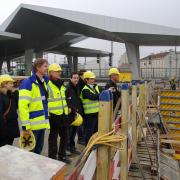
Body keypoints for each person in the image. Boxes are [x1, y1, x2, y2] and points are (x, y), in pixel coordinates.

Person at [18, 58, 50, 154]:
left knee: (38, 150)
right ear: (38, 67)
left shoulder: (43, 82)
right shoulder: (27, 83)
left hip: (41, 125)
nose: (47, 68)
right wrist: (26, 125)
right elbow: (23, 106)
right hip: (31, 126)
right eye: (45, 66)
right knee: (29, 152)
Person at [47, 63, 75, 164]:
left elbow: (67, 98)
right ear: (50, 73)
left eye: (60, 71)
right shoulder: (47, 85)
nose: (59, 73)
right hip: (53, 115)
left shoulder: (61, 84)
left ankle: (62, 155)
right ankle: (52, 157)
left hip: (64, 114)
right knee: (53, 137)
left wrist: (70, 106)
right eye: (57, 71)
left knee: (65, 136)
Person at [80, 71, 100, 145]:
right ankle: (88, 145)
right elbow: (92, 97)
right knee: (89, 131)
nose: (93, 80)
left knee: (96, 130)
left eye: (93, 78)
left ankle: (94, 144)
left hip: (97, 113)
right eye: (91, 79)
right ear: (86, 80)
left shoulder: (95, 87)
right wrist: (101, 95)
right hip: (89, 114)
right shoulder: (85, 90)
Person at [0, 75, 20, 147]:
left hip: (10, 130)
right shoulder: (1, 97)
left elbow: (17, 106)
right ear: (4, 84)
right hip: (4, 133)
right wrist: (4, 132)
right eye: (10, 83)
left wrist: (16, 94)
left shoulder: (10, 95)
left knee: (8, 150)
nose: (13, 85)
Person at [66, 72, 83, 154]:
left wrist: (78, 111)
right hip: (70, 114)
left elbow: (77, 101)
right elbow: (67, 101)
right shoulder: (68, 88)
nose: (76, 79)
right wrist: (73, 110)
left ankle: (72, 147)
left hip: (76, 113)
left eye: (77, 78)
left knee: (73, 132)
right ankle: (67, 148)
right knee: (68, 133)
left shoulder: (77, 87)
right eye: (74, 78)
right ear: (70, 78)